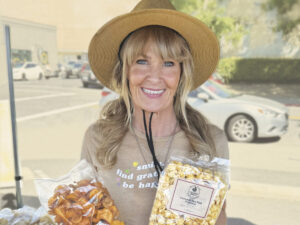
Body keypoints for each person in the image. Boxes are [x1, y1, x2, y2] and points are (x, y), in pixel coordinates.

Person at [81, 0, 229, 224]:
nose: (154, 76)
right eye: (141, 61)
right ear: (125, 72)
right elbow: (83, 214)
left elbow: (218, 220)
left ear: (181, 73)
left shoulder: (210, 141)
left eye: (168, 63)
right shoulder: (98, 139)